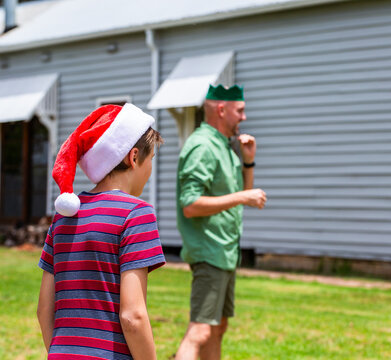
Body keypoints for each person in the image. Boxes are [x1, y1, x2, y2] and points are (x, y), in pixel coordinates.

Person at [37, 103, 166, 360]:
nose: (150, 170)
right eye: (150, 160)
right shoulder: (136, 214)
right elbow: (132, 316)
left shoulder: (64, 217)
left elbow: (43, 310)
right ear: (134, 156)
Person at [175, 85, 267, 360]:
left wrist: (248, 163)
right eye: (240, 110)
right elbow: (190, 204)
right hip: (209, 251)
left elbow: (246, 198)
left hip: (225, 252)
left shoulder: (225, 147)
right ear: (221, 109)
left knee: (217, 328)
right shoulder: (203, 146)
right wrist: (241, 196)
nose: (244, 117)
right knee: (200, 331)